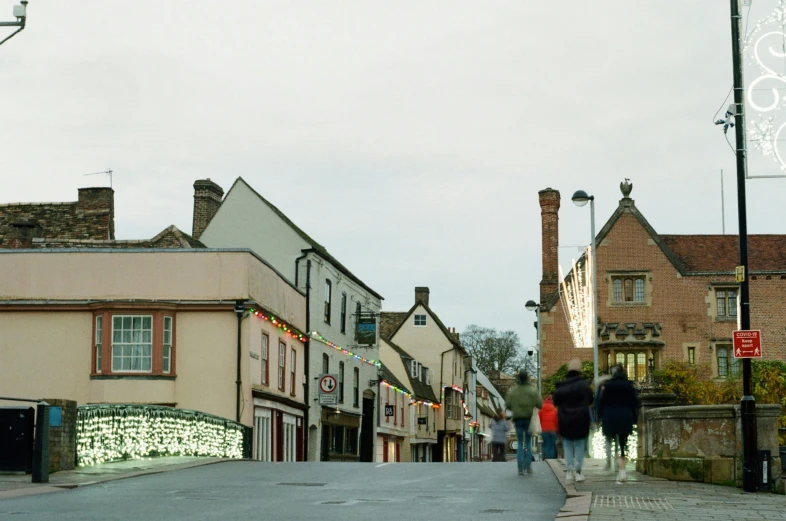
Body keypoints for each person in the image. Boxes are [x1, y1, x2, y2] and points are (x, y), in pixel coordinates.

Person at [596, 364, 640, 483]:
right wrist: (636, 419)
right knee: (623, 444)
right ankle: (622, 470)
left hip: (609, 417)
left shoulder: (607, 386)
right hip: (625, 417)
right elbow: (635, 403)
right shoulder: (629, 386)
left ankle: (616, 464)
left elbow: (601, 402)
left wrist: (598, 418)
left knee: (613, 441)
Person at [553, 358, 593, 483]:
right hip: (581, 418)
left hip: (565, 419)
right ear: (579, 370)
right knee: (580, 445)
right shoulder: (584, 385)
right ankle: (578, 471)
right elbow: (591, 400)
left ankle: (569, 471)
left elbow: (556, 401)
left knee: (568, 445)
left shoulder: (561, 385)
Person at [505, 369, 543, 475]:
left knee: (520, 443)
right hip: (528, 419)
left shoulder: (513, 391)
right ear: (527, 378)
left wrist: (515, 408)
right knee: (528, 443)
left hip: (517, 419)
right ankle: (529, 466)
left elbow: (507, 404)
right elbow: (540, 404)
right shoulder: (532, 390)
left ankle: (520, 468)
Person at [538, 395, 558, 460]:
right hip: (553, 430)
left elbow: (539, 420)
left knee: (546, 445)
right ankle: (552, 459)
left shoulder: (541, 409)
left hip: (544, 430)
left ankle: (547, 459)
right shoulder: (555, 410)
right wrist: (557, 430)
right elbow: (557, 421)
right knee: (552, 445)